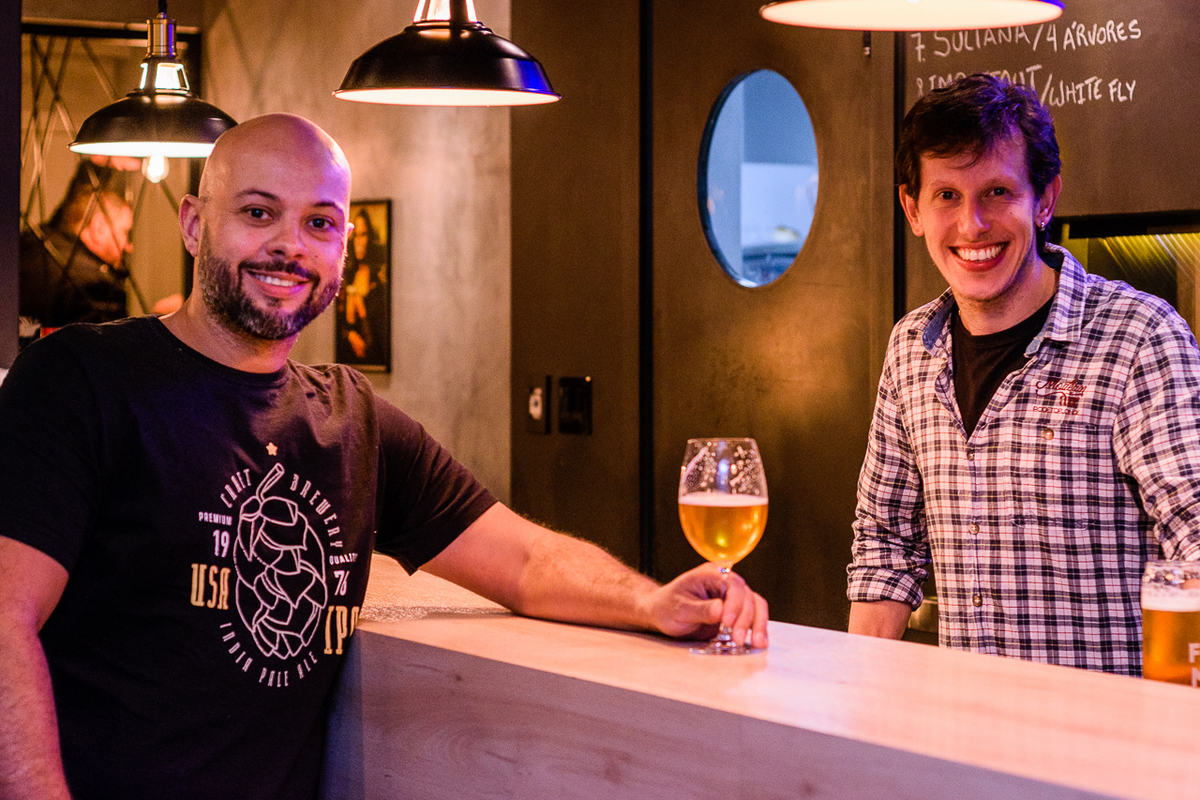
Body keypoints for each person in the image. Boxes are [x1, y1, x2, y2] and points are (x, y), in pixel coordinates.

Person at [0, 113, 769, 800]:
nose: (289, 245)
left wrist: (650, 601)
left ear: (343, 248)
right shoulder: (82, 380)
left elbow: (525, 561)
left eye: (320, 223)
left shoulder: (355, 423)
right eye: (259, 212)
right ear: (196, 225)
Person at [846, 74, 1200, 675]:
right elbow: (885, 545)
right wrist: (854, 702)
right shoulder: (911, 348)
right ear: (913, 209)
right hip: (962, 721)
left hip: (1110, 727)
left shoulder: (1139, 337)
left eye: (997, 192)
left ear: (1044, 199)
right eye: (947, 195)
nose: (972, 225)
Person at [18, 160, 134, 337]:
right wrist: (157, 323)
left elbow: (63, 215)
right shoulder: (95, 287)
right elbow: (114, 349)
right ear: (99, 227)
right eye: (125, 232)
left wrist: (97, 162)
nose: (128, 246)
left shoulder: (34, 242)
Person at [334, 206, 389, 366]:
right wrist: (350, 334)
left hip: (373, 355)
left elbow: (379, 334)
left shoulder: (378, 280)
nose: (359, 241)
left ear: (370, 237)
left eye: (363, 235)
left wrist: (360, 308)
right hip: (346, 357)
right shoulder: (346, 276)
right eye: (356, 236)